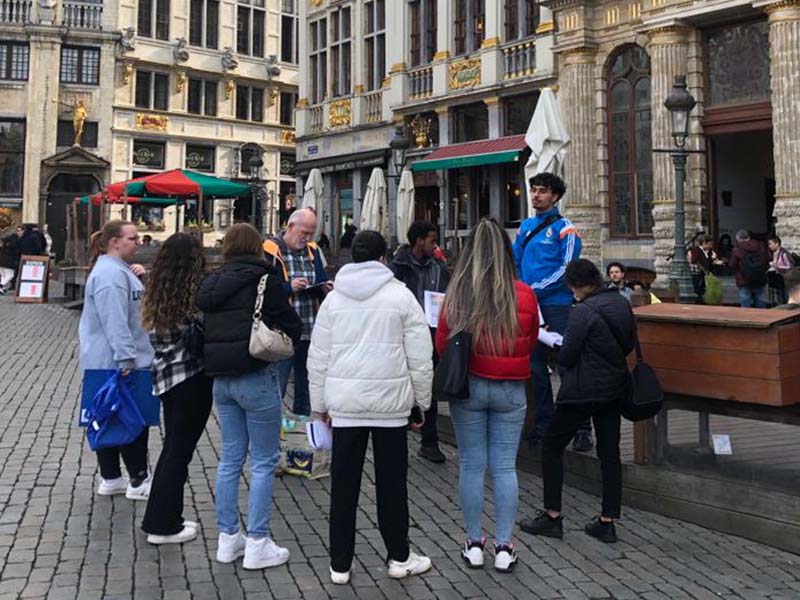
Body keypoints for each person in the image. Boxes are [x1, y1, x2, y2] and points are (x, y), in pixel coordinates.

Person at [307, 230, 433, 585]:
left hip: (345, 408)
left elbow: (318, 357)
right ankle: (398, 556)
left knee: (344, 486)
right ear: (383, 257)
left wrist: (320, 406)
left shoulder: (333, 300)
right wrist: (420, 403)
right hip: (390, 409)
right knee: (392, 485)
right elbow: (420, 358)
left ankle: (340, 564)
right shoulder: (401, 295)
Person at [196, 223, 302, 569]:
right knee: (263, 461)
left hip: (220, 381)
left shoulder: (211, 283)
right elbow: (292, 323)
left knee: (229, 460)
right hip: (255, 376)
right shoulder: (265, 280)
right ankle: (257, 541)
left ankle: (228, 539)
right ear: (257, 247)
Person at [435, 219, 538, 573]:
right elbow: (531, 339)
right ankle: (505, 546)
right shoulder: (523, 293)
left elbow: (442, 343)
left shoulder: (459, 291)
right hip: (511, 389)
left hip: (470, 388)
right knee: (506, 467)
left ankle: (474, 542)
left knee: (472, 465)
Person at [520, 259, 635, 544]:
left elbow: (567, 356)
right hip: (613, 388)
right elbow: (629, 343)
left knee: (552, 445)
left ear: (576, 285)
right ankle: (607, 521)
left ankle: (552, 515)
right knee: (610, 454)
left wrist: (555, 343)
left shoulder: (583, 311)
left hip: (582, 391)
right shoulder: (620, 303)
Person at [140, 234, 211, 545]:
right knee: (178, 451)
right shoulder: (194, 294)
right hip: (190, 375)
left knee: (174, 448)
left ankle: (169, 515)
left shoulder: (159, 289)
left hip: (166, 374)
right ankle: (162, 523)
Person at [512, 173, 589, 452]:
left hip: (556, 306)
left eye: (542, 191)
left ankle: (581, 428)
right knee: (535, 369)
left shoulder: (565, 229)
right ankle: (544, 424)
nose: (535, 196)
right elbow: (516, 262)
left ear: (555, 196)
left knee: (568, 367)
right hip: (529, 307)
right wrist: (523, 290)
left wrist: (534, 289)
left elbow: (567, 269)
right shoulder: (525, 227)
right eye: (533, 190)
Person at [78, 220, 154, 500]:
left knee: (106, 416)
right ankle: (138, 480)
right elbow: (115, 321)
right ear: (115, 242)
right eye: (133, 238)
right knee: (131, 417)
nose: (138, 242)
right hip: (115, 360)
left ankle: (111, 477)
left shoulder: (115, 271)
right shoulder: (110, 275)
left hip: (106, 359)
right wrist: (126, 358)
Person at [389, 220, 450, 463]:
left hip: (432, 336)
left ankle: (430, 441)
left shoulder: (438, 268)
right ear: (419, 241)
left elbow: (447, 296)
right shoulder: (397, 268)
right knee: (401, 388)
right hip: (403, 336)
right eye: (432, 241)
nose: (435, 246)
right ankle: (398, 437)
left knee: (429, 388)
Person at [263, 208, 330, 416]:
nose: (307, 238)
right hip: (281, 332)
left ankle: (301, 431)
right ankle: (271, 426)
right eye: (304, 233)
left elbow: (320, 277)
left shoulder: (313, 250)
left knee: (306, 387)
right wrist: (288, 288)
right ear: (290, 227)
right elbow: (262, 290)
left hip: (310, 329)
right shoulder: (270, 251)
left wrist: (324, 287)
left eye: (311, 233)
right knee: (277, 385)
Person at [729, 230, 769, 308]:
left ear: (738, 238)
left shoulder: (737, 249)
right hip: (759, 277)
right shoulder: (760, 246)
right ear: (749, 237)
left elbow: (732, 265)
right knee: (760, 300)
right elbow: (767, 259)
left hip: (744, 279)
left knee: (745, 302)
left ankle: (747, 318)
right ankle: (763, 318)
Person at [688, 234, 720, 303]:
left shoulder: (711, 252)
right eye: (709, 244)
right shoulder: (694, 251)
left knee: (705, 290)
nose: (711, 246)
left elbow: (713, 261)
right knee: (699, 290)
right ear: (704, 243)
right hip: (697, 274)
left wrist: (714, 262)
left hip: (707, 275)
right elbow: (691, 262)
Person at [767, 234, 794, 306]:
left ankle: (785, 305)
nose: (769, 246)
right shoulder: (774, 253)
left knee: (784, 293)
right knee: (779, 291)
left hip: (784, 277)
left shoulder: (784, 253)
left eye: (771, 244)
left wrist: (777, 266)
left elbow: (790, 266)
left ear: (777, 244)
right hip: (778, 277)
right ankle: (781, 304)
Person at [0, 229, 20, 295]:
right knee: (10, 275)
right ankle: (1, 286)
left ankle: (2, 288)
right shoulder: (14, 244)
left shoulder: (5, 244)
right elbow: (16, 253)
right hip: (8, 263)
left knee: (3, 275)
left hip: (1, 261)